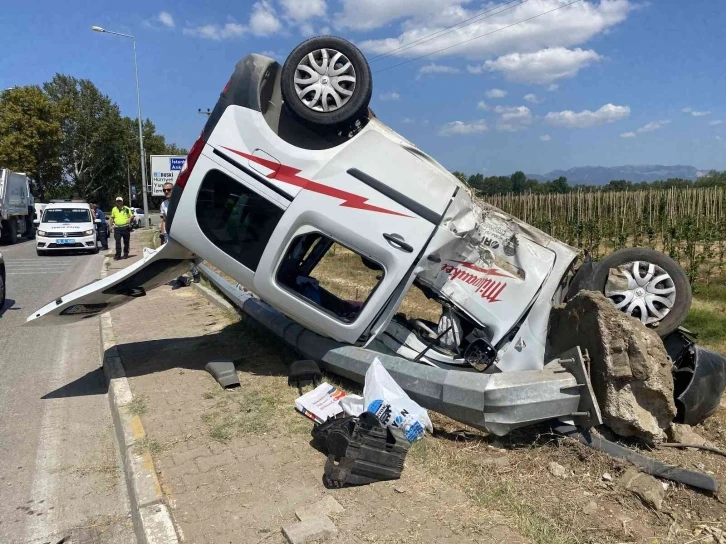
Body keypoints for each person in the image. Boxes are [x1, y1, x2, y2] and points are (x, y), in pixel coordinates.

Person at [160, 182, 200, 283]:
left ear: (173, 190)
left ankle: (195, 273)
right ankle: (179, 276)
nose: (166, 192)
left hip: (181, 233)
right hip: (169, 234)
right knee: (172, 256)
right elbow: (164, 220)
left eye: (168, 190)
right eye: (164, 190)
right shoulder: (163, 204)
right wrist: (163, 234)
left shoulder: (180, 202)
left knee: (184, 255)